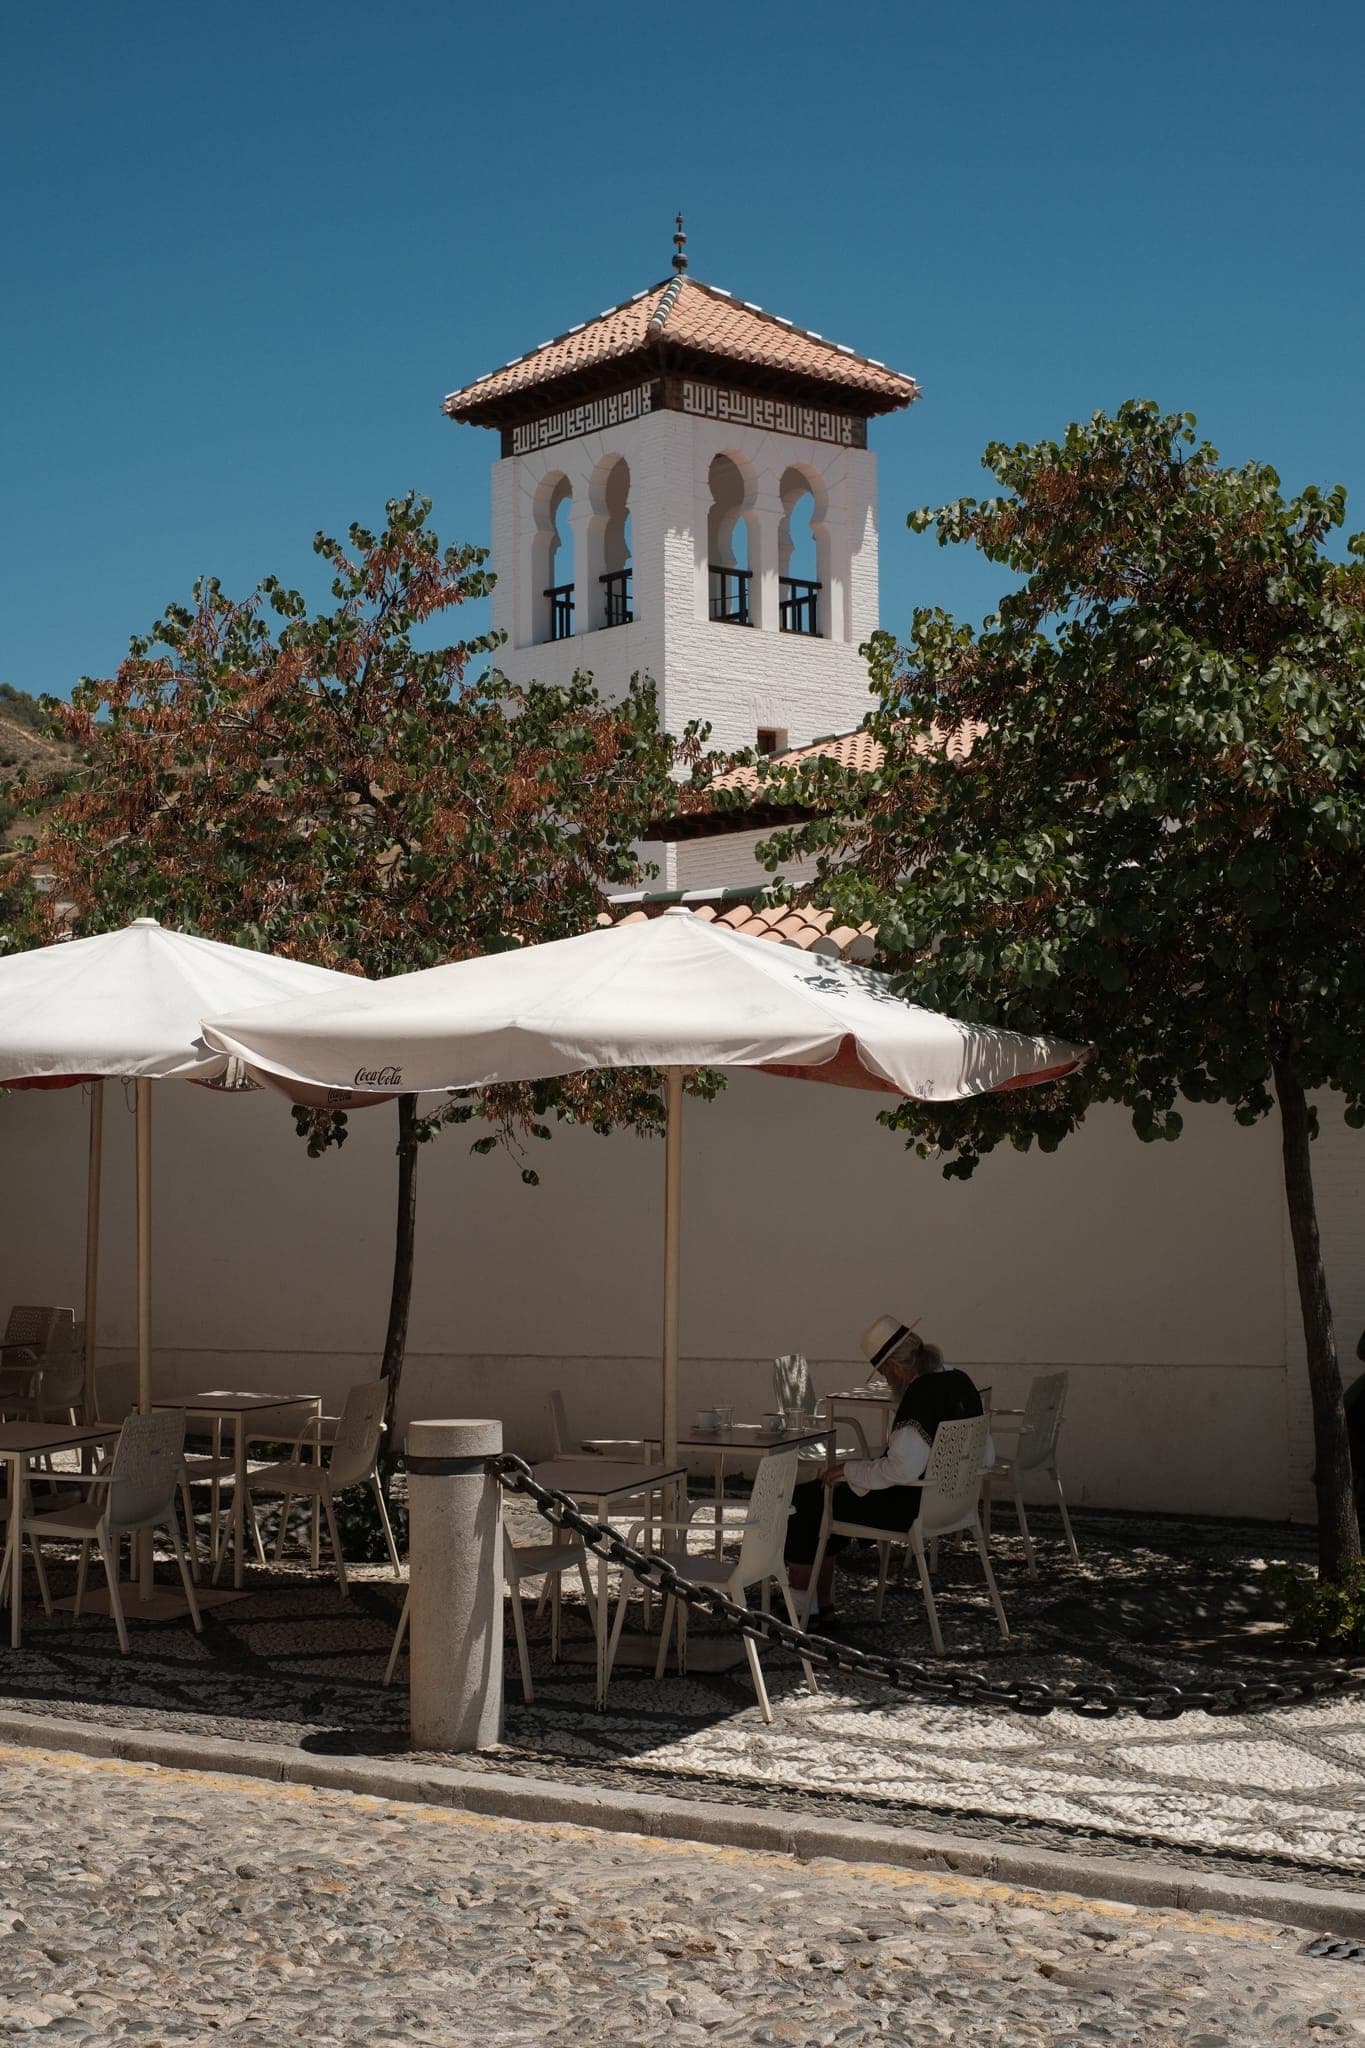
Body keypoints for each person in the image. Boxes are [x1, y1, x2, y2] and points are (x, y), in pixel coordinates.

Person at [785, 1315, 991, 1618]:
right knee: (829, 1500)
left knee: (806, 1500)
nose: (886, 1380)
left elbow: (902, 1470)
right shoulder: (960, 1380)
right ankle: (820, 1604)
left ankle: (804, 1609)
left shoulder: (920, 1395)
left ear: (894, 1367)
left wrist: (850, 1469)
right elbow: (985, 1455)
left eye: (883, 1373)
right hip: (956, 1503)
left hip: (912, 1506)